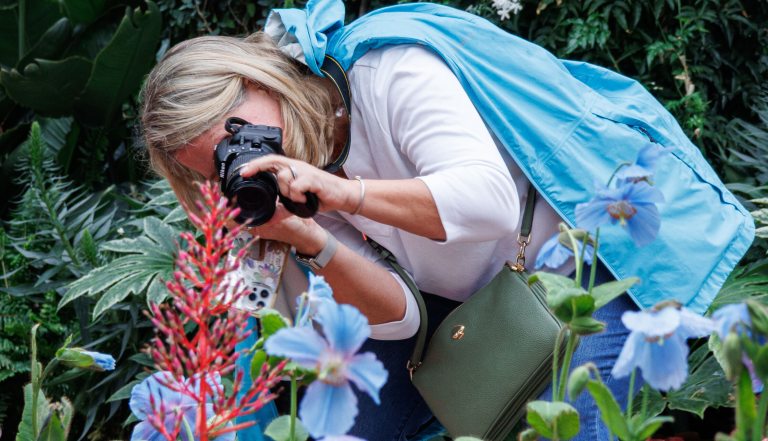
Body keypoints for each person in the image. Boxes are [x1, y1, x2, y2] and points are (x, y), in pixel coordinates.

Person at [139, 0, 754, 439]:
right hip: (462, 313)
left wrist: (340, 195)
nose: (237, 166)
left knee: (573, 429)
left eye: (236, 139)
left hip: (575, 266)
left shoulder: (388, 71)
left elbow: (489, 202)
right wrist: (306, 239)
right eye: (212, 169)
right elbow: (398, 322)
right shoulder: (272, 187)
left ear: (260, 79)